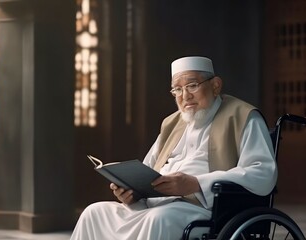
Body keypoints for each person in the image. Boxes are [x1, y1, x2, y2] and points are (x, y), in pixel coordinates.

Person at [70, 56, 277, 240]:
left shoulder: (243, 116)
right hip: (155, 205)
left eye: (192, 85)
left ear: (215, 85)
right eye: (177, 89)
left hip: (203, 208)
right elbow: (148, 168)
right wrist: (132, 192)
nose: (184, 96)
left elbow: (263, 172)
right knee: (94, 213)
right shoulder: (171, 123)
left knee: (158, 219)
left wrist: (195, 184)